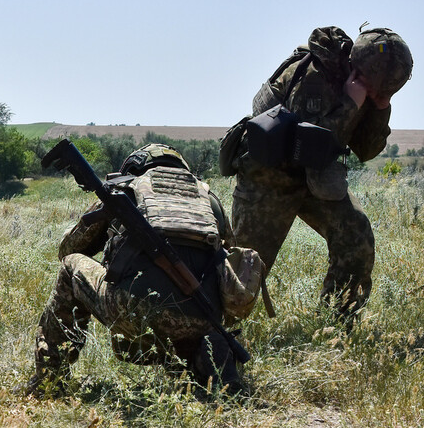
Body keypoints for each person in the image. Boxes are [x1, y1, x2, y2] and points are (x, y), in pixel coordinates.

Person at [29, 144, 263, 396]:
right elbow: (229, 258)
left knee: (70, 266)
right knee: (187, 320)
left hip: (133, 310)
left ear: (135, 166)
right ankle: (208, 360)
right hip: (204, 319)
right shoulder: (208, 199)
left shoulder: (124, 189)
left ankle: (49, 379)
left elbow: (69, 249)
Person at [227, 26, 412, 323]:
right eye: (375, 87)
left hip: (317, 178)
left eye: (385, 91)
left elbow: (366, 151)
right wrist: (351, 103)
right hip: (269, 177)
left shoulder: (367, 86)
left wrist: (379, 108)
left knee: (356, 235)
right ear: (358, 66)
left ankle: (336, 324)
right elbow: (309, 144)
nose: (376, 93)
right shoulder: (316, 77)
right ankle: (209, 335)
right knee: (244, 267)